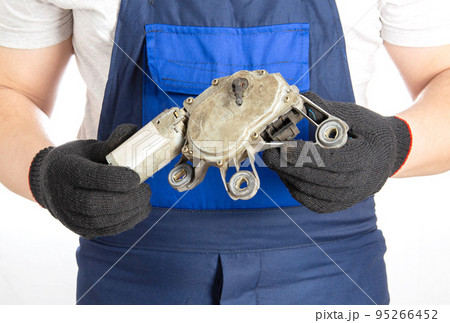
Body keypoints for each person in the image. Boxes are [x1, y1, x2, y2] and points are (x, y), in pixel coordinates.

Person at [0, 0, 449, 305]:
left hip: (332, 269)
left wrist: (396, 144)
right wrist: (44, 174)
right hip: (130, 268)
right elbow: (12, 89)